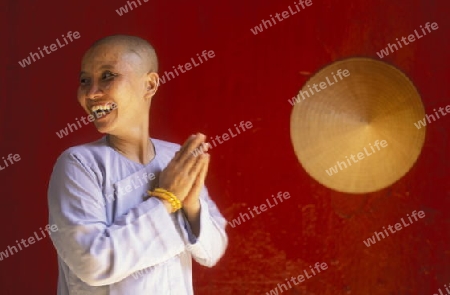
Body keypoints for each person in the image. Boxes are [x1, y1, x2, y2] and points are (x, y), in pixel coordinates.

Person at [47, 35, 228, 295]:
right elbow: (93, 263)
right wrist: (167, 200)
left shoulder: (174, 158)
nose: (91, 93)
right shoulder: (79, 164)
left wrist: (191, 206)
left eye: (107, 76)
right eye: (85, 81)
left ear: (150, 85)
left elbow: (212, 250)